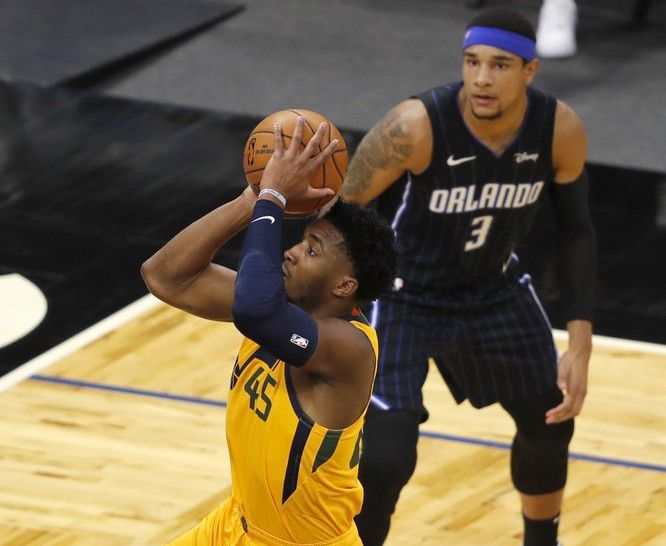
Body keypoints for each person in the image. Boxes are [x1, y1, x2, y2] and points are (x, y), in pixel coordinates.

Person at [341, 8, 596, 546]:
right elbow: (341, 213)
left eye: (500, 65)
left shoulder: (560, 129)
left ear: (530, 70)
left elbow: (576, 231)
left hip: (493, 289)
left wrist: (579, 342)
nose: (481, 78)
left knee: (550, 421)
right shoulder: (413, 127)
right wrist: (332, 305)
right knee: (385, 457)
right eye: (472, 62)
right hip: (403, 296)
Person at [141, 117, 397, 545]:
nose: (294, 252)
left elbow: (255, 313)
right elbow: (165, 276)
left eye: (312, 250)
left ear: (344, 285)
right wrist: (252, 198)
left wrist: (274, 199)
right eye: (303, 239)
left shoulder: (348, 347)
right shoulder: (277, 300)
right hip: (235, 526)